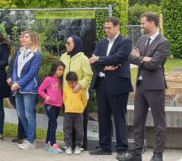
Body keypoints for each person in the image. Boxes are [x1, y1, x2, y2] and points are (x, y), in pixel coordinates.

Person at [126, 12, 170, 161]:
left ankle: (158, 155)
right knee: (138, 121)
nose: (141, 25)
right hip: (141, 86)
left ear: (152, 23)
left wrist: (141, 58)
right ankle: (136, 153)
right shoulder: (142, 39)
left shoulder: (163, 42)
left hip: (155, 87)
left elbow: (154, 64)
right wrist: (143, 58)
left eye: (143, 23)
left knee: (159, 122)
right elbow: (131, 57)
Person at [89, 17, 133, 160]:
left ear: (117, 27)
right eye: (105, 28)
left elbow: (117, 58)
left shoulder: (125, 42)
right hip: (102, 84)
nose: (106, 30)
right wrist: (105, 65)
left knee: (119, 117)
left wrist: (99, 60)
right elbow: (92, 62)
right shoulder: (101, 43)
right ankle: (104, 146)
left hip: (118, 85)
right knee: (103, 116)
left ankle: (122, 148)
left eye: (109, 27)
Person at [59, 35, 93, 150]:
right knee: (68, 121)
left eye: (69, 43)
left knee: (80, 121)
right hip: (67, 95)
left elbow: (89, 75)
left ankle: (80, 144)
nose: (66, 45)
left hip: (80, 94)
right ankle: (69, 144)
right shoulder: (63, 56)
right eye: (66, 43)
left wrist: (80, 85)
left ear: (76, 44)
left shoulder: (83, 58)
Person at [11, 31, 42, 150]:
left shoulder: (36, 54)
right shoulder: (20, 51)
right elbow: (14, 68)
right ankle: (28, 137)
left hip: (29, 88)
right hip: (17, 87)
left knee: (29, 115)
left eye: (26, 37)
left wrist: (19, 83)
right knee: (21, 114)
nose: (23, 38)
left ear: (32, 39)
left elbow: (32, 73)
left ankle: (31, 140)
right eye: (22, 36)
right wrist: (14, 81)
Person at [38, 61, 65, 153]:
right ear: (54, 69)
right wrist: (46, 97)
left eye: (62, 70)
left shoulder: (60, 80)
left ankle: (48, 141)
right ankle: (53, 144)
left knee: (51, 123)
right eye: (59, 69)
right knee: (54, 123)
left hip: (58, 105)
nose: (61, 71)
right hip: (49, 105)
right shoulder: (48, 79)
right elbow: (40, 90)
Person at [63, 71, 88, 155]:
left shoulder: (81, 89)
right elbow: (64, 99)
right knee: (67, 129)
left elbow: (84, 101)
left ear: (77, 80)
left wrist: (80, 108)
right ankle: (68, 146)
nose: (71, 85)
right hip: (68, 113)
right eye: (69, 83)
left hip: (78, 113)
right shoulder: (66, 88)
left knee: (79, 130)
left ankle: (78, 146)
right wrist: (67, 107)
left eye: (73, 83)